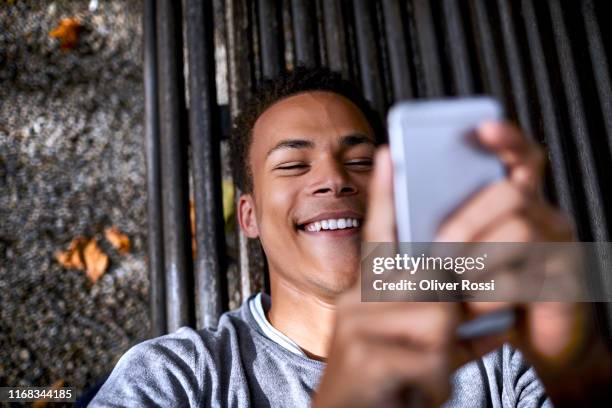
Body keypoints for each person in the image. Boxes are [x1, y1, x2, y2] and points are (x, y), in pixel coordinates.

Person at [90, 67, 612, 407]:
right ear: (247, 216)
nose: (334, 178)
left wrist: (579, 370)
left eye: (360, 162)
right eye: (293, 164)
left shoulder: (497, 344)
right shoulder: (179, 378)